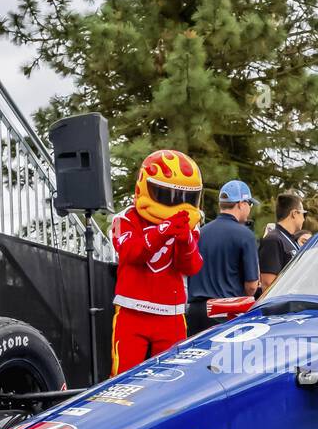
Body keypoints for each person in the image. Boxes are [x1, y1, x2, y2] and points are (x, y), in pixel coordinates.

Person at [110, 149, 204, 375]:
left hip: (171, 316)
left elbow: (191, 267)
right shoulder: (124, 219)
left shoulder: (190, 225)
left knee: (172, 379)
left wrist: (185, 241)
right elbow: (131, 253)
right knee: (123, 377)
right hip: (132, 312)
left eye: (186, 197)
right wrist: (162, 231)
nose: (178, 203)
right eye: (167, 194)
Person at [186, 179, 260, 334]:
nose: (250, 209)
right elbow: (252, 286)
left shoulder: (200, 233)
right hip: (227, 311)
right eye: (250, 204)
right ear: (241, 203)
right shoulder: (245, 235)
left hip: (196, 312)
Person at [258, 191, 306, 289]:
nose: (304, 219)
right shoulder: (273, 240)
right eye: (303, 214)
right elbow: (267, 283)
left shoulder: (288, 239)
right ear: (294, 213)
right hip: (282, 303)